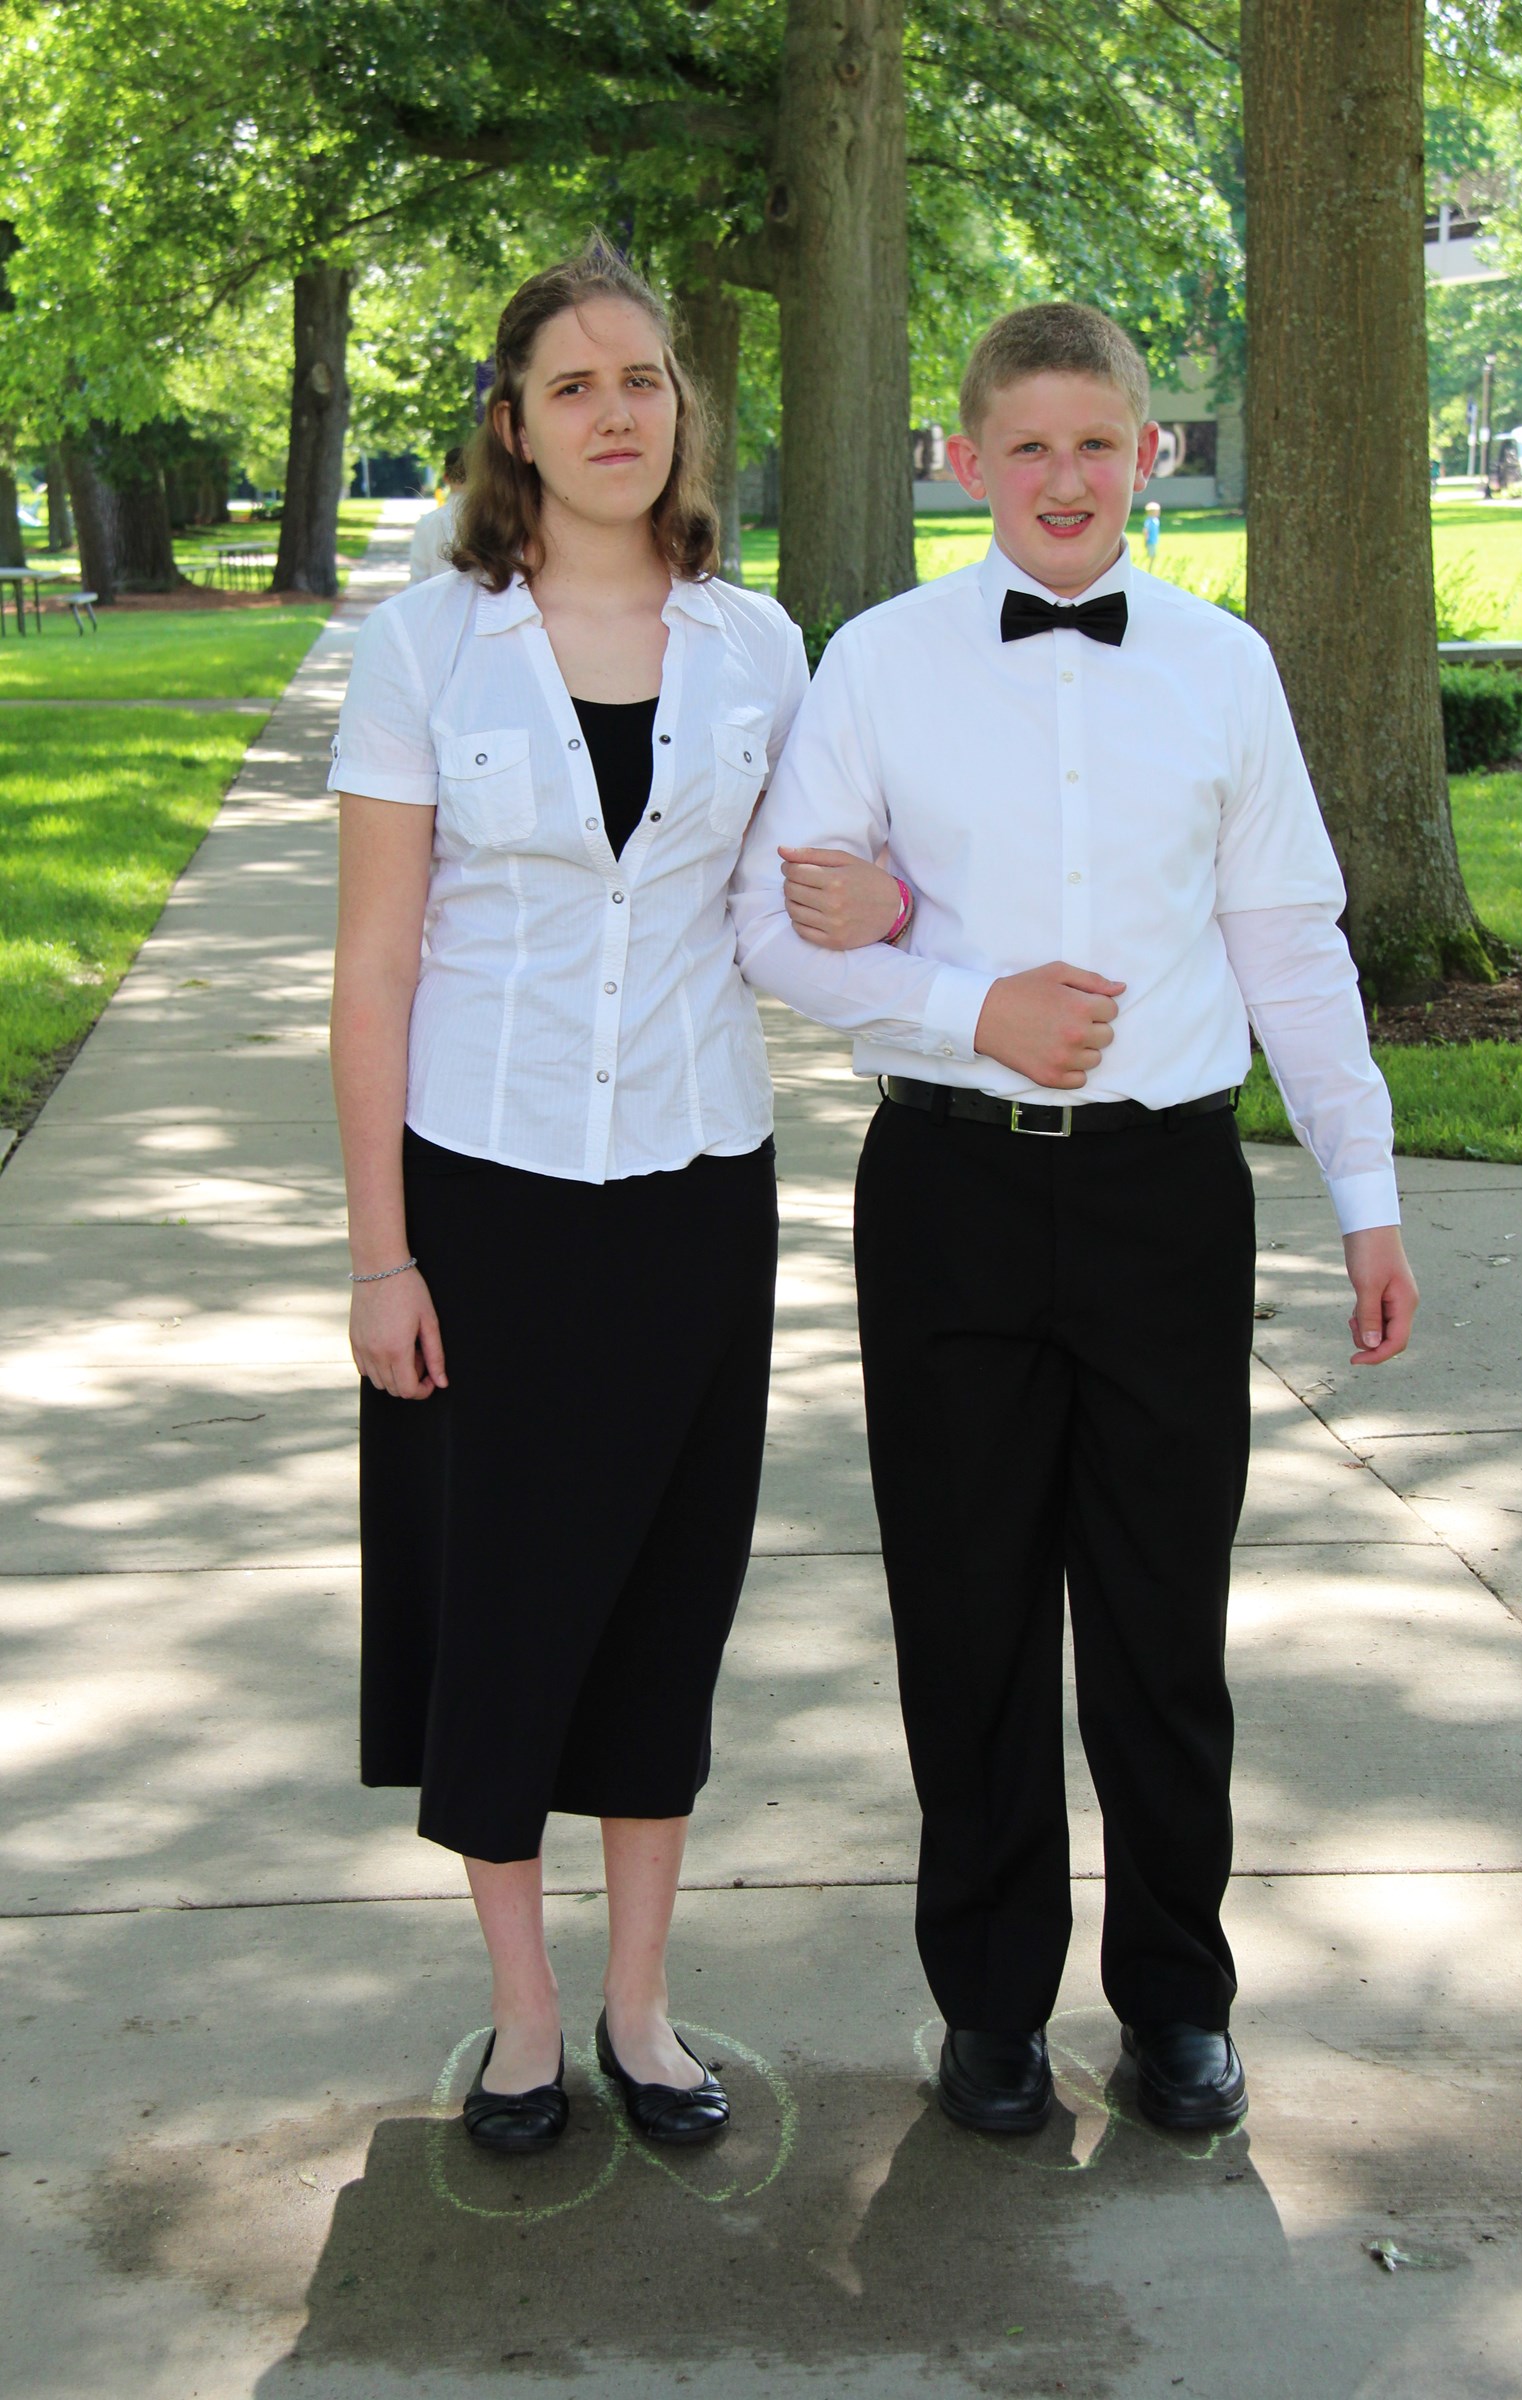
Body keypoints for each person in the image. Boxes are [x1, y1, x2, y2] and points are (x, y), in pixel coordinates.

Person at [733, 301, 1419, 2139]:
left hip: (1163, 1198)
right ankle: (989, 2006)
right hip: (946, 1189)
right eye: (1025, 446)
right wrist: (971, 1003)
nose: (1062, 478)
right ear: (965, 461)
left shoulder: (1224, 668)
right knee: (964, 1620)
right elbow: (775, 924)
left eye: (1094, 443)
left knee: (1159, 1622)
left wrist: (1364, 1195)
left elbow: (1289, 943)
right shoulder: (876, 664)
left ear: (1149, 454)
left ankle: (1178, 2001)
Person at [329, 238, 899, 2157]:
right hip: (481, 1197)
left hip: (693, 1189)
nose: (614, 412)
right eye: (573, 385)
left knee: (667, 1600)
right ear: (513, 423)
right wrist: (382, 1256)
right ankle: (520, 2018)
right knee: (493, 1607)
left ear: (682, 406)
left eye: (642, 379)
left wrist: (886, 910)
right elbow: (374, 969)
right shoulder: (426, 647)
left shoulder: (759, 646)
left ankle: (640, 2010)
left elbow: (789, 915)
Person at [407, 447, 467, 583]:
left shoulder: (427, 523)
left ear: (446, 478)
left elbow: (418, 579)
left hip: (439, 595)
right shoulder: (497, 521)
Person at [1141, 497, 1160, 563]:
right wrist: (1145, 540)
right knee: (1152, 556)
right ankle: (1149, 567)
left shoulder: (1156, 520)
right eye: (1157, 511)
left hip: (1154, 540)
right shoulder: (1149, 521)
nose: (1158, 513)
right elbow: (1145, 531)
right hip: (1150, 541)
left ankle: (1149, 566)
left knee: (1152, 555)